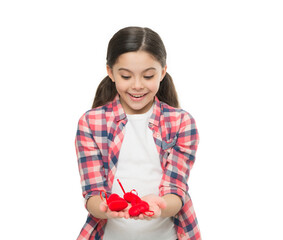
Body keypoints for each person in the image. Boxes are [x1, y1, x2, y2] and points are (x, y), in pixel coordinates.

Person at [75, 26, 200, 240]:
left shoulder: (181, 122)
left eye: (148, 75)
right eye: (126, 76)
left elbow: (176, 191)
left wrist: (159, 205)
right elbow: (93, 194)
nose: (137, 86)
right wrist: (105, 206)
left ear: (162, 71)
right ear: (110, 72)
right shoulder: (91, 122)